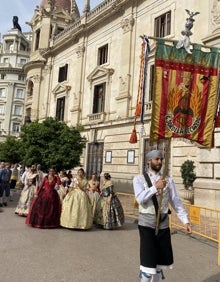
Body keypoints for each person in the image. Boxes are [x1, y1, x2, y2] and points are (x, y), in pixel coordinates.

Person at [133, 150, 192, 282]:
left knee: (159, 265)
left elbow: (176, 202)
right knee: (147, 266)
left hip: (163, 225)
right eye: (156, 159)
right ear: (149, 161)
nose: (159, 162)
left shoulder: (169, 181)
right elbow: (140, 199)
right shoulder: (139, 179)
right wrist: (155, 187)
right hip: (147, 225)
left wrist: (186, 221)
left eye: (161, 159)